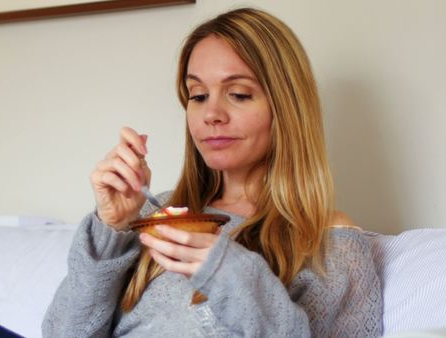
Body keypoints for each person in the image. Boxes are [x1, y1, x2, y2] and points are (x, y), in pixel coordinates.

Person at [42, 7, 382, 338]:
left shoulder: (327, 242)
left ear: (286, 107)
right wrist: (111, 230)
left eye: (238, 94)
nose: (211, 114)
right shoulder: (152, 218)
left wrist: (227, 271)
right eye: (198, 95)